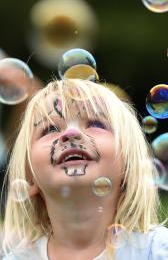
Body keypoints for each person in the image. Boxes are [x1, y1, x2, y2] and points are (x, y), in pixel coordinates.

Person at [1, 79, 168, 259]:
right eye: (51, 128)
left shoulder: (156, 250)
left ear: (129, 165)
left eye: (96, 124)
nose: (71, 134)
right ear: (29, 177)